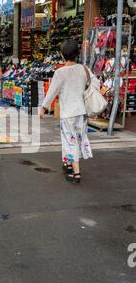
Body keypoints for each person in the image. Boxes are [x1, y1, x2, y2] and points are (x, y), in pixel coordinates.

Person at [40, 39, 93, 184]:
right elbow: (95, 83)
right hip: (81, 112)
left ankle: (76, 173)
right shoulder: (84, 69)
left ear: (62, 55)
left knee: (70, 142)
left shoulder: (60, 72)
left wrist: (43, 108)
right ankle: (68, 164)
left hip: (68, 114)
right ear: (77, 54)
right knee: (74, 139)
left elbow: (52, 92)